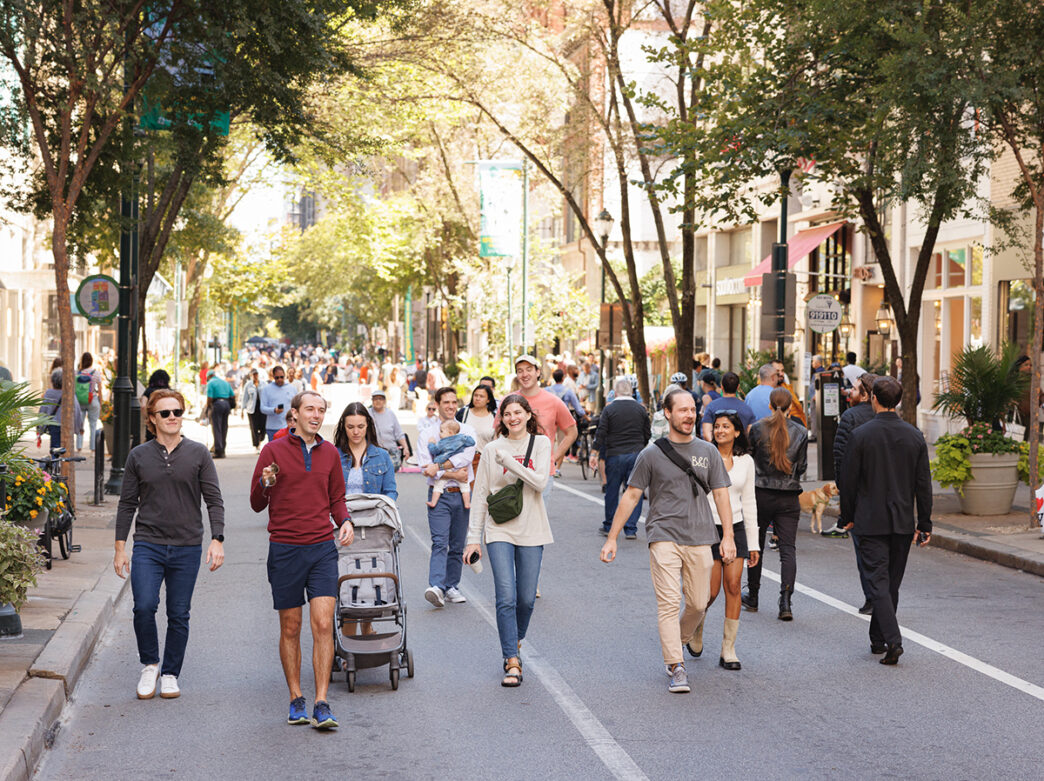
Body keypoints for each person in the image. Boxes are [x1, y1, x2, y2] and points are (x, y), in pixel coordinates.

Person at [600, 388, 736, 694]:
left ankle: (677, 640)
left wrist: (728, 536)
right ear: (668, 413)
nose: (689, 415)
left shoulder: (708, 452)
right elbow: (632, 495)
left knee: (699, 604)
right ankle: (676, 664)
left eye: (693, 410)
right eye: (683, 410)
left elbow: (721, 495)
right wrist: (612, 538)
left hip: (701, 536)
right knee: (669, 602)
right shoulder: (651, 454)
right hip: (663, 534)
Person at [250, 390, 354, 730]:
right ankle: (296, 697)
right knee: (291, 626)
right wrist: (266, 483)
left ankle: (322, 701)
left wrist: (345, 521)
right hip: (285, 548)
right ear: (294, 414)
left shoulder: (330, 454)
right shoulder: (273, 450)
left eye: (321, 410)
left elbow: (337, 498)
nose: (316, 415)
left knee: (323, 624)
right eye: (310, 409)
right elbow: (256, 503)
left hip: (322, 547)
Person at [114, 389, 225, 700]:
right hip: (148, 544)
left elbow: (214, 500)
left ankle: (170, 673)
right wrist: (120, 548)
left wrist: (217, 539)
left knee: (178, 613)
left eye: (177, 411)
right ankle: (150, 664)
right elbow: (127, 504)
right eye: (165, 413)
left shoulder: (198, 453)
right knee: (144, 606)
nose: (173, 417)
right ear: (152, 418)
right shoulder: (138, 456)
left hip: (187, 546)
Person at [840, 376, 932, 665]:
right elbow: (923, 484)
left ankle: (893, 640)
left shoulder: (861, 435)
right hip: (902, 520)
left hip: (870, 519)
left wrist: (847, 516)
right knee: (890, 584)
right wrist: (924, 523)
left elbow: (849, 481)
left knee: (878, 583)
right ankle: (877, 638)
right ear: (899, 401)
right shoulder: (914, 436)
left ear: (874, 399)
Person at [463, 394, 553, 688]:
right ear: (501, 418)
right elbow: (480, 495)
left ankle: (515, 639)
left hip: (533, 528)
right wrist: (473, 539)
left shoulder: (541, 444)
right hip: (499, 529)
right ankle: (511, 659)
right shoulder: (492, 449)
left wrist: (511, 463)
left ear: (528, 415)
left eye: (518, 412)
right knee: (506, 596)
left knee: (526, 599)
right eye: (507, 414)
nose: (512, 418)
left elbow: (540, 482)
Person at [688, 411, 759, 670]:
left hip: (736, 527)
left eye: (726, 427)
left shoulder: (746, 462)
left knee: (733, 585)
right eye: (716, 426)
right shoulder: (704, 457)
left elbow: (749, 501)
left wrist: (753, 543)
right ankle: (697, 626)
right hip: (707, 528)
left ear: (737, 432)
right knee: (710, 591)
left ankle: (728, 649)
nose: (720, 431)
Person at [742, 388, 808, 620]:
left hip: (760, 493)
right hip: (788, 495)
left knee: (756, 545)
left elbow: (749, 458)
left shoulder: (757, 428)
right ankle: (786, 601)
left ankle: (753, 595)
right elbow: (802, 467)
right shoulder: (801, 432)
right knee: (788, 549)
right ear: (791, 407)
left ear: (770, 405)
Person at [334, 401, 397, 637]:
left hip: (374, 525)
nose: (356, 432)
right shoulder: (334, 455)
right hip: (342, 524)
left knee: (373, 571)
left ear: (368, 426)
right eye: (350, 427)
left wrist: (385, 513)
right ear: (344, 427)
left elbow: (390, 492)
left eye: (360, 426)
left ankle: (367, 625)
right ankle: (350, 635)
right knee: (348, 574)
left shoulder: (381, 456)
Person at [417, 387, 476, 608]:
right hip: (438, 494)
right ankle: (436, 586)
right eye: (446, 402)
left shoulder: (467, 431)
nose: (451, 406)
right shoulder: (428, 434)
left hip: (462, 494)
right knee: (440, 542)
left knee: (457, 543)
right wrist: (452, 474)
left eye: (453, 402)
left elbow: (466, 458)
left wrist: (439, 467)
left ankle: (452, 586)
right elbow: (426, 467)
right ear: (437, 405)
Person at [593, 377, 651, 540]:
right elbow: (647, 433)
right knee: (634, 491)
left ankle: (609, 525)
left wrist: (594, 452)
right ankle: (631, 528)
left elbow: (601, 432)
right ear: (631, 392)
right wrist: (640, 445)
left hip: (615, 454)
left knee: (612, 490)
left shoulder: (609, 409)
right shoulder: (640, 410)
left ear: (616, 392)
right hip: (635, 454)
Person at [514, 354, 577, 502]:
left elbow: (572, 432)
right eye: (520, 371)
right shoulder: (509, 400)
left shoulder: (553, 401)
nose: (524, 374)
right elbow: (497, 434)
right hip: (512, 471)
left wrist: (554, 457)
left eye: (529, 369)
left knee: (539, 516)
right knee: (512, 516)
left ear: (538, 372)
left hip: (542, 472)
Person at [426, 419, 475, 509]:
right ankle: (467, 503)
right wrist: (466, 437)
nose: (439, 434)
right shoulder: (461, 438)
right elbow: (472, 442)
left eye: (441, 431)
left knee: (438, 485)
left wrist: (431, 443)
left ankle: (433, 502)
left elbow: (434, 450)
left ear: (450, 432)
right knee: (465, 486)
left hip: (445, 466)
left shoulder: (442, 442)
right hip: (459, 467)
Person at [456, 384, 497, 487]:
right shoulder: (463, 413)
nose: (477, 398)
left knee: (479, 492)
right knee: (463, 491)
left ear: (488, 400)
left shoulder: (494, 417)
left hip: (484, 460)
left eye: (481, 396)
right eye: (475, 395)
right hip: (463, 459)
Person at [700, 372, 755, 440]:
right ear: (738, 387)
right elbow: (750, 434)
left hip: (717, 444)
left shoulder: (711, 406)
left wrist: (715, 445)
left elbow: (706, 433)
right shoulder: (747, 409)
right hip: (740, 446)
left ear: (722, 387)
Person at [38, 369, 83, 451]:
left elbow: (43, 410)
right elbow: (77, 411)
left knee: (55, 448)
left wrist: (40, 428)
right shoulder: (70, 394)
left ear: (52, 381)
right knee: (66, 448)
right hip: (67, 424)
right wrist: (79, 427)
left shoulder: (49, 393)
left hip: (53, 425)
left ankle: (55, 459)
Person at [368, 389, 410, 468]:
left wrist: (406, 448)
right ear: (372, 401)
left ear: (384, 401)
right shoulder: (367, 413)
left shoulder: (390, 414)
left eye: (380, 399)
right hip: (373, 453)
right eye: (375, 399)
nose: (378, 401)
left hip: (391, 452)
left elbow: (399, 434)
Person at [260, 365, 297, 441]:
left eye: (281, 377)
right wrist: (274, 410)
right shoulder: (266, 389)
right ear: (273, 376)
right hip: (273, 428)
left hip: (289, 428)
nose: (279, 379)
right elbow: (262, 408)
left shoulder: (292, 389)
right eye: (277, 377)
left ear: (285, 376)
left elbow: (297, 406)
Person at [76, 352, 103, 451]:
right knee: (93, 425)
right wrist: (101, 402)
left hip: (80, 401)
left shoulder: (77, 373)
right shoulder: (96, 373)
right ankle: (93, 448)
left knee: (80, 424)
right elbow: (100, 390)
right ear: (91, 361)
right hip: (92, 399)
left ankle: (79, 447)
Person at [205, 370, 235, 458]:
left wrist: (208, 407)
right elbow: (232, 395)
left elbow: (209, 397)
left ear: (209, 376)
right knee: (224, 427)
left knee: (217, 427)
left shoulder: (210, 383)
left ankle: (218, 451)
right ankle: (223, 449)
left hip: (217, 404)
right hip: (226, 404)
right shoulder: (225, 382)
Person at [141, 370, 171, 442]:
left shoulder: (148, 391)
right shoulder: (170, 392)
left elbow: (143, 406)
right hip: (167, 421)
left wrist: (148, 418)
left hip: (153, 422)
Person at [242, 369, 266, 452]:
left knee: (263, 426)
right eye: (253, 374)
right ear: (251, 375)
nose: (255, 376)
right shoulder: (248, 385)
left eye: (256, 374)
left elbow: (267, 395)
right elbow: (245, 397)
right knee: (254, 427)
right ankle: (256, 444)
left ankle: (260, 438)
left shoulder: (263, 383)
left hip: (262, 407)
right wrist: (242, 409)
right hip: (252, 408)